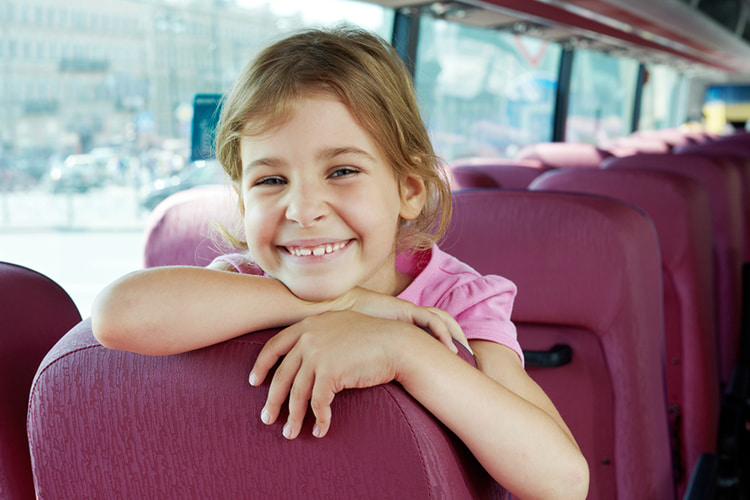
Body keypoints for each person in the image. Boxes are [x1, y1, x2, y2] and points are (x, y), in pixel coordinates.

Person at [92, 26, 588, 499]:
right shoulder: (244, 285)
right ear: (244, 205)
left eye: (342, 171)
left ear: (409, 190)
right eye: (270, 181)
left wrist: (406, 351)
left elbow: (563, 482)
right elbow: (117, 315)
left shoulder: (457, 304)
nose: (304, 208)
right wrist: (346, 303)